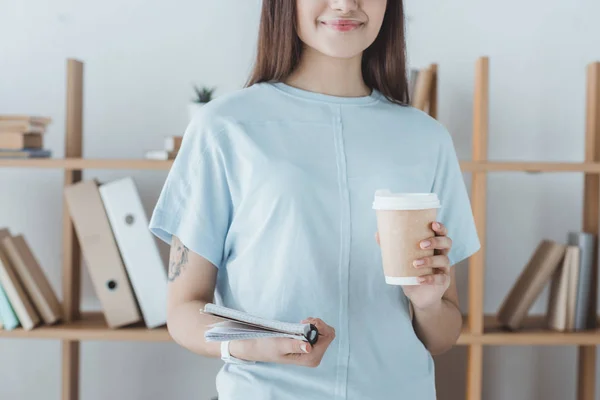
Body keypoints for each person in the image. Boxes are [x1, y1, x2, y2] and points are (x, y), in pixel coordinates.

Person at [148, 0, 481, 399]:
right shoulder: (223, 128)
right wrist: (250, 344)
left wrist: (427, 304)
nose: (345, 4)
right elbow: (183, 309)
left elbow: (443, 336)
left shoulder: (427, 138)